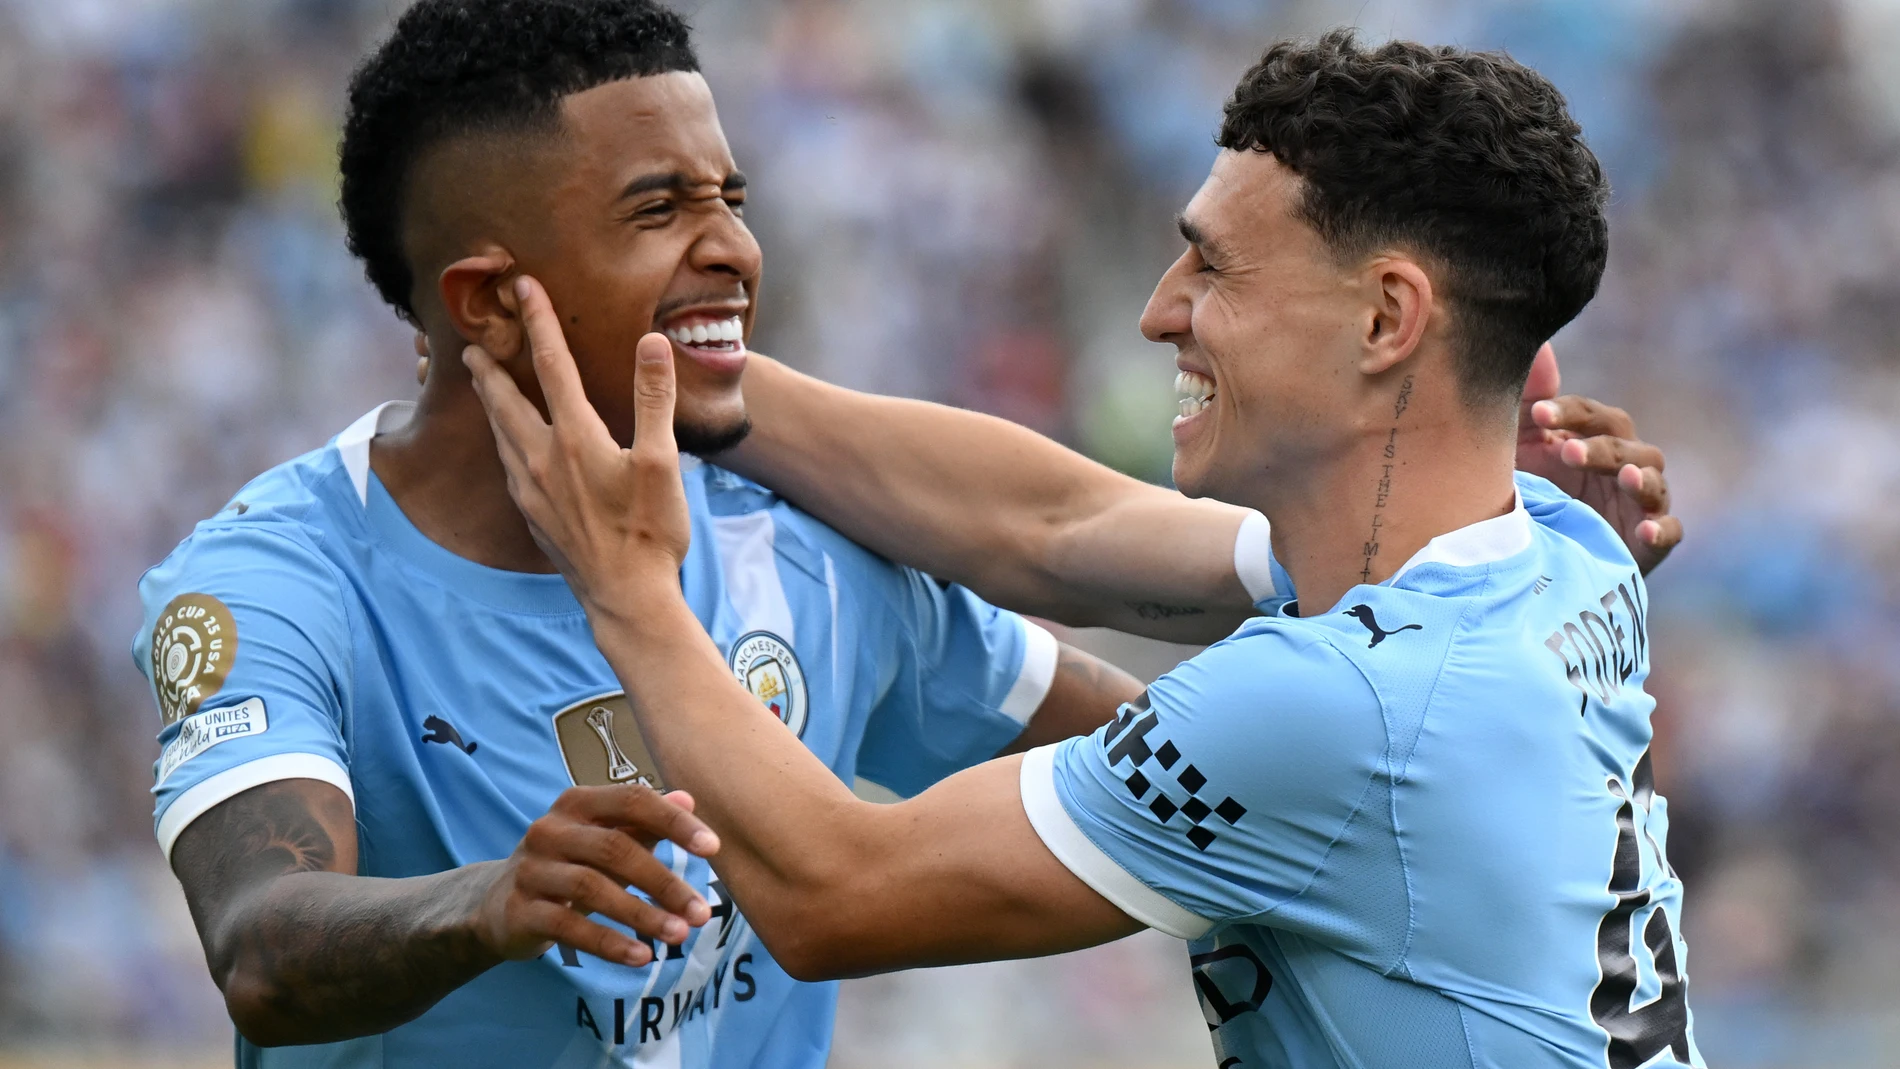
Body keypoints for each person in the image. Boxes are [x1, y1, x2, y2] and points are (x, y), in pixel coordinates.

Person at [467, 30, 1704, 1069]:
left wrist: (627, 583)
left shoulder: (1340, 702)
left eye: (1213, 265)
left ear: (1386, 318)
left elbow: (835, 891)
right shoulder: (1560, 542)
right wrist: (699, 377)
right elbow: (1055, 530)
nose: (1160, 308)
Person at [136, 3, 1148, 1066]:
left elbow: (1169, 757)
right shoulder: (273, 582)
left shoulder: (797, 539)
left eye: (732, 199)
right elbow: (261, 949)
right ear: (485, 301)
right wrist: (489, 903)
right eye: (658, 210)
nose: (736, 252)